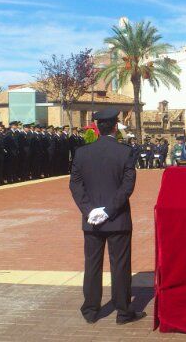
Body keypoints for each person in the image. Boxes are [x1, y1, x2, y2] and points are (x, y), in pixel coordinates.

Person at [69, 107, 146, 325]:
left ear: (97, 128)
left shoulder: (82, 152)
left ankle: (91, 310)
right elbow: (127, 186)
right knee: (120, 265)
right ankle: (123, 312)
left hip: (91, 220)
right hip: (117, 218)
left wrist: (90, 210)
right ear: (115, 126)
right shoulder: (125, 151)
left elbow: (75, 184)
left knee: (92, 265)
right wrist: (108, 211)